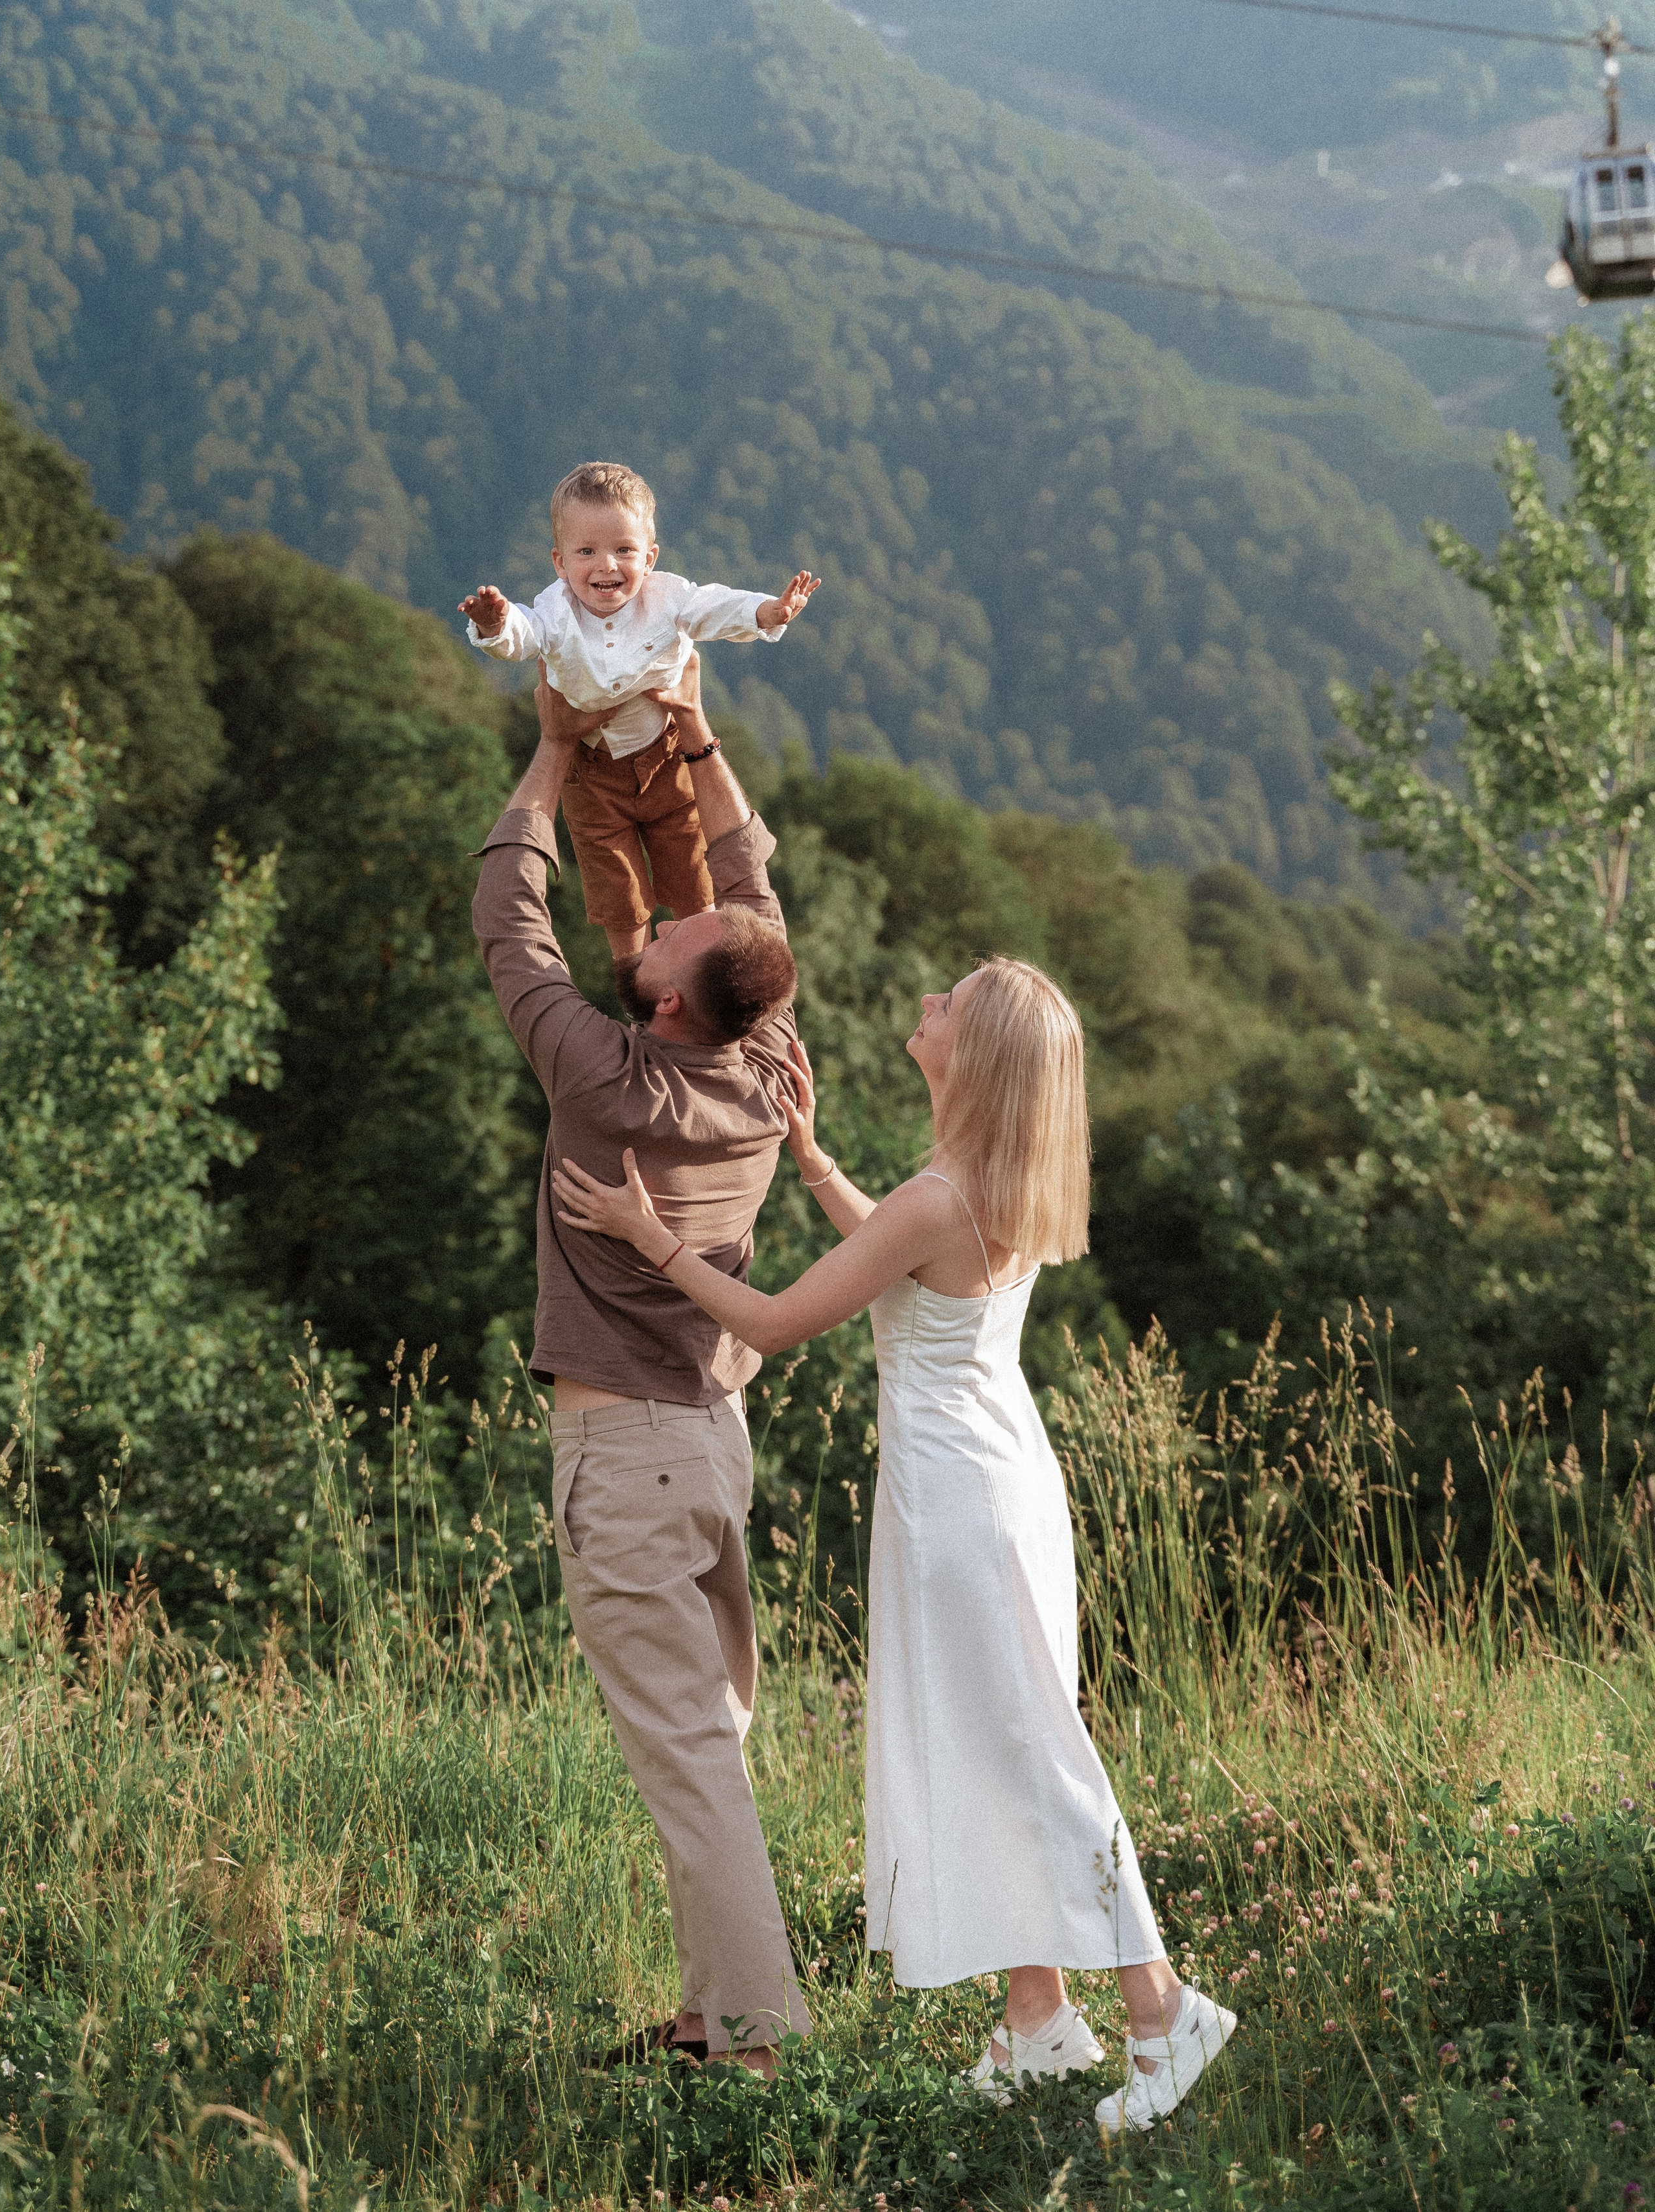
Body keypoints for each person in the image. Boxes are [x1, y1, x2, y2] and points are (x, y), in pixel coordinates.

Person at [550, 959, 1238, 2136]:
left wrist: (648, 1236)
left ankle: (1164, 2011)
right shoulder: (980, 1184)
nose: (928, 1003)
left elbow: (775, 1322)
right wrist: (813, 1157)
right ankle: (1038, 2018)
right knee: (1000, 1742)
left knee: (1034, 1757)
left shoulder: (939, 1196)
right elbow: (902, 1265)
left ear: (980, 1055)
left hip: (962, 1503)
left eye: (949, 1003)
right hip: (997, 1479)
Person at [470, 648, 811, 2075]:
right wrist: (698, 736)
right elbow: (749, 883)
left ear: (671, 999)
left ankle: (750, 2044)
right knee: (703, 1739)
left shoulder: (608, 1077)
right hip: (712, 1445)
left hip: (626, 1456)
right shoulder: (763, 1060)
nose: (666, 919)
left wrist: (554, 753)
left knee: (688, 1756)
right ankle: (701, 2016)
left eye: (675, 936)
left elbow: (509, 918)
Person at [459, 458, 820, 964]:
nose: (606, 565)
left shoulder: (668, 598)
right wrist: (495, 624)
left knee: (693, 879)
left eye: (624, 550)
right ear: (560, 562)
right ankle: (635, 981)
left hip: (667, 757)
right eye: (586, 551)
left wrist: (768, 612)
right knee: (619, 897)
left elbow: (716, 608)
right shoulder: (555, 610)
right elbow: (524, 634)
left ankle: (699, 973)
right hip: (591, 773)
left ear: (650, 558)